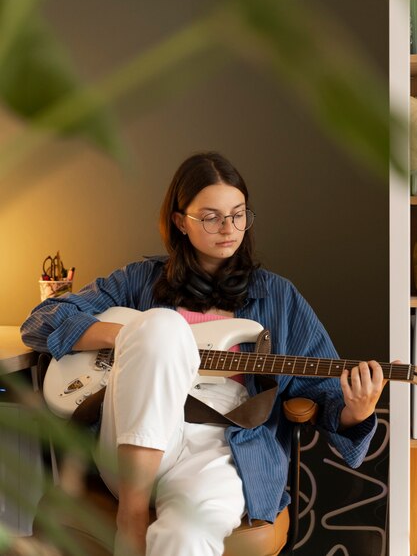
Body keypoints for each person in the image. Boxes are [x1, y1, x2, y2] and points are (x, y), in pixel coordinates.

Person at [21, 152, 386, 556]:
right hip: (132, 437)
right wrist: (132, 338)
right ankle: (134, 514)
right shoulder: (138, 281)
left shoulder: (278, 297)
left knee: (187, 539)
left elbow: (324, 391)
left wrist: (359, 409)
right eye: (210, 216)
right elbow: (41, 320)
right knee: (162, 325)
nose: (229, 228)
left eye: (238, 214)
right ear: (180, 221)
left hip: (226, 447)